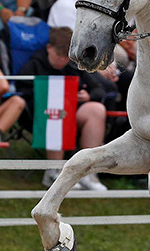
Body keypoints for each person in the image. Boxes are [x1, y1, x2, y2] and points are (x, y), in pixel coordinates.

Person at [19, 27, 109, 191]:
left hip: (73, 111)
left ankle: (88, 172)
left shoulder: (74, 65)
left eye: (65, 57)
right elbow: (23, 92)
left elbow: (99, 89)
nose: (62, 61)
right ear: (48, 48)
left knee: (97, 110)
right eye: (58, 56)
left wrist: (88, 96)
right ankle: (54, 171)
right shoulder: (34, 65)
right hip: (41, 114)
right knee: (56, 106)